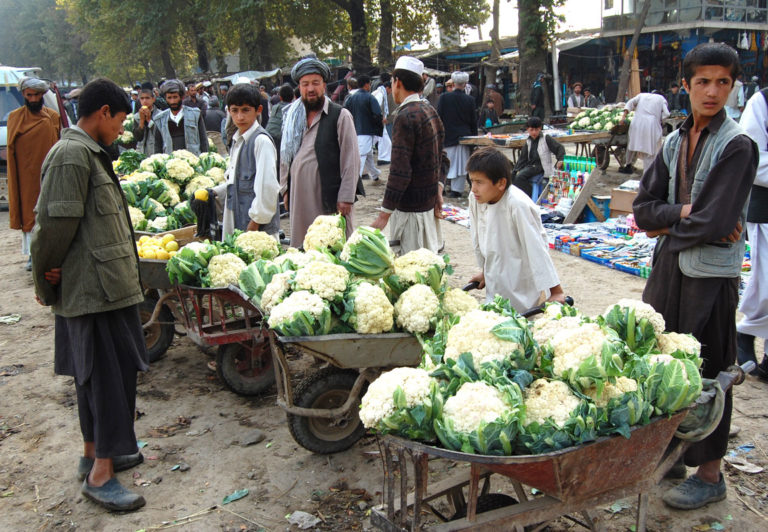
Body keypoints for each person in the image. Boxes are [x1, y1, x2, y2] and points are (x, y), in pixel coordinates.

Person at [632, 42, 757, 510]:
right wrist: (678, 217)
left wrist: (670, 223)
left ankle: (710, 474)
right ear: (684, 86)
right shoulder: (671, 141)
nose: (712, 91)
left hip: (711, 278)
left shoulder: (738, 146)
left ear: (732, 86)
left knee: (710, 369)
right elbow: (642, 214)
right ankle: (672, 455)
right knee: (662, 361)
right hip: (669, 269)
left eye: (722, 82)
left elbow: (718, 221)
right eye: (702, 81)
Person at [31, 77, 150, 512]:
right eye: (120, 121)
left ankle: (91, 453)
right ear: (103, 113)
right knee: (108, 382)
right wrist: (45, 281)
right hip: (93, 291)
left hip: (104, 287)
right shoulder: (72, 155)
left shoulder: (89, 153)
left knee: (97, 378)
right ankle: (102, 475)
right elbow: (52, 229)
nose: (121, 129)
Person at [467, 146, 565, 311]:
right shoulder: (476, 199)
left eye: (479, 182)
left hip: (520, 283)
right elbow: (478, 237)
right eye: (472, 181)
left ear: (501, 183)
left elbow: (536, 247)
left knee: (520, 321)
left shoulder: (517, 204)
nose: (473, 188)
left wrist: (555, 290)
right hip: (495, 279)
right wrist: (484, 271)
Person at [279, 56, 362, 247]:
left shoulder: (340, 115)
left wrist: (346, 197)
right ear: (299, 87)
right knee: (303, 248)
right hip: (299, 197)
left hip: (330, 199)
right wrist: (285, 189)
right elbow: (285, 157)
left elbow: (351, 160)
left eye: (315, 83)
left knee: (332, 247)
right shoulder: (291, 117)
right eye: (305, 84)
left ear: (324, 85)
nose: (310, 89)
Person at [370, 56, 447, 254]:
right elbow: (442, 158)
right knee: (427, 269)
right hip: (427, 208)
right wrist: (438, 191)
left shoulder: (405, 116)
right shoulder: (429, 110)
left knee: (411, 274)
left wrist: (384, 215)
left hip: (410, 213)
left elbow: (400, 171)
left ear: (398, 82)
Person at [207, 84, 280, 239]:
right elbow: (234, 181)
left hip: (256, 230)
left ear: (258, 110)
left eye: (246, 110)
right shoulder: (236, 140)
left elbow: (267, 188)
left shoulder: (261, 141)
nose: (240, 117)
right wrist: (214, 193)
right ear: (228, 111)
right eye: (235, 110)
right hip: (235, 219)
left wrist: (254, 225)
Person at [7, 77, 61, 271]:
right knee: (30, 215)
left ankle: (49, 256)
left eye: (37, 95)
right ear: (23, 95)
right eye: (30, 95)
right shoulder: (15, 117)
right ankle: (32, 254)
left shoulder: (53, 117)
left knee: (50, 212)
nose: (34, 99)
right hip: (25, 176)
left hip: (49, 173)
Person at [735, 86, 768, 379]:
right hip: (766, 210)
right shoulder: (762, 101)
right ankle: (746, 331)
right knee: (767, 283)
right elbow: (754, 159)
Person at [437, 71, 477, 198]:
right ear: (465, 84)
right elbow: (473, 121)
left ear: (453, 83)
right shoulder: (470, 100)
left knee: (444, 164)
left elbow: (438, 117)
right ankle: (456, 190)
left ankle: (441, 188)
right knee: (461, 165)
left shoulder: (444, 97)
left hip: (447, 136)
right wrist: (474, 140)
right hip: (463, 138)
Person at [512, 116, 565, 200]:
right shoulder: (528, 141)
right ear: (527, 129)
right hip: (530, 166)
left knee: (520, 177)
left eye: (536, 130)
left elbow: (559, 148)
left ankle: (528, 197)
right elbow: (522, 158)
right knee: (513, 176)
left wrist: (560, 159)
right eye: (531, 130)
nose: (534, 132)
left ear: (540, 128)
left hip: (541, 167)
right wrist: (515, 170)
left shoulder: (546, 138)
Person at [344, 74, 383, 182]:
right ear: (366, 84)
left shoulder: (351, 98)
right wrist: (377, 127)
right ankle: (356, 180)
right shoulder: (370, 97)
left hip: (354, 129)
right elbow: (377, 114)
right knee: (361, 155)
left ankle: (375, 175)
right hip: (365, 130)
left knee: (368, 155)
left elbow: (345, 112)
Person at [153, 79, 209, 155]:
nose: (172, 101)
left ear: (182, 97)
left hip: (193, 161)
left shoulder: (195, 114)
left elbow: (204, 141)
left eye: (175, 97)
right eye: (169, 98)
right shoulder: (160, 119)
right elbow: (158, 146)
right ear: (165, 99)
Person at [620, 90, 670, 173]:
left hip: (637, 122)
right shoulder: (661, 99)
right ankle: (647, 172)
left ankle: (628, 165)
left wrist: (624, 116)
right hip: (651, 125)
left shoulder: (642, 95)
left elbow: (630, 102)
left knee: (631, 144)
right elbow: (667, 114)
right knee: (649, 149)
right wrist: (661, 120)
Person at [265, 83, 295, 163]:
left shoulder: (275, 107)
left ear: (280, 97)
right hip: (280, 139)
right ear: (293, 97)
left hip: (268, 135)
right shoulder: (293, 109)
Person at [132, 87, 161, 155]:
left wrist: (149, 121)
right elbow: (137, 137)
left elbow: (160, 135)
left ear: (153, 99)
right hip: (142, 151)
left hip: (156, 151)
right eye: (142, 98)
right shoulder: (136, 116)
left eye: (147, 98)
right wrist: (142, 121)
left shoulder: (160, 115)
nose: (144, 101)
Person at [373, 74, 392, 164]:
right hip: (376, 120)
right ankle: (383, 158)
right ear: (388, 88)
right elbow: (376, 107)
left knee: (382, 139)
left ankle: (383, 158)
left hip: (376, 120)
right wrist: (381, 118)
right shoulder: (380, 94)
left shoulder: (379, 92)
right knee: (380, 139)